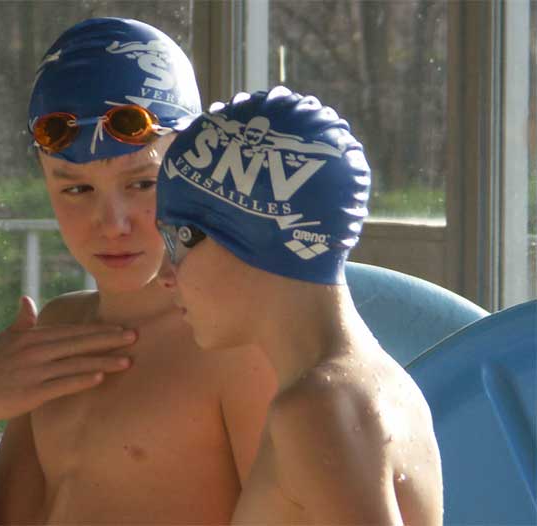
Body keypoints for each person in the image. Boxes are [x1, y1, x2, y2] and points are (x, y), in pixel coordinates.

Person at [0, 18, 276, 525]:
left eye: (142, 184)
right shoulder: (59, 333)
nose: (112, 225)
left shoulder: (236, 349)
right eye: (76, 189)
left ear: (194, 170)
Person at [156, 87, 444, 525]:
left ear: (250, 235)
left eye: (176, 239)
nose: (165, 273)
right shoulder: (379, 386)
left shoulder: (318, 409)